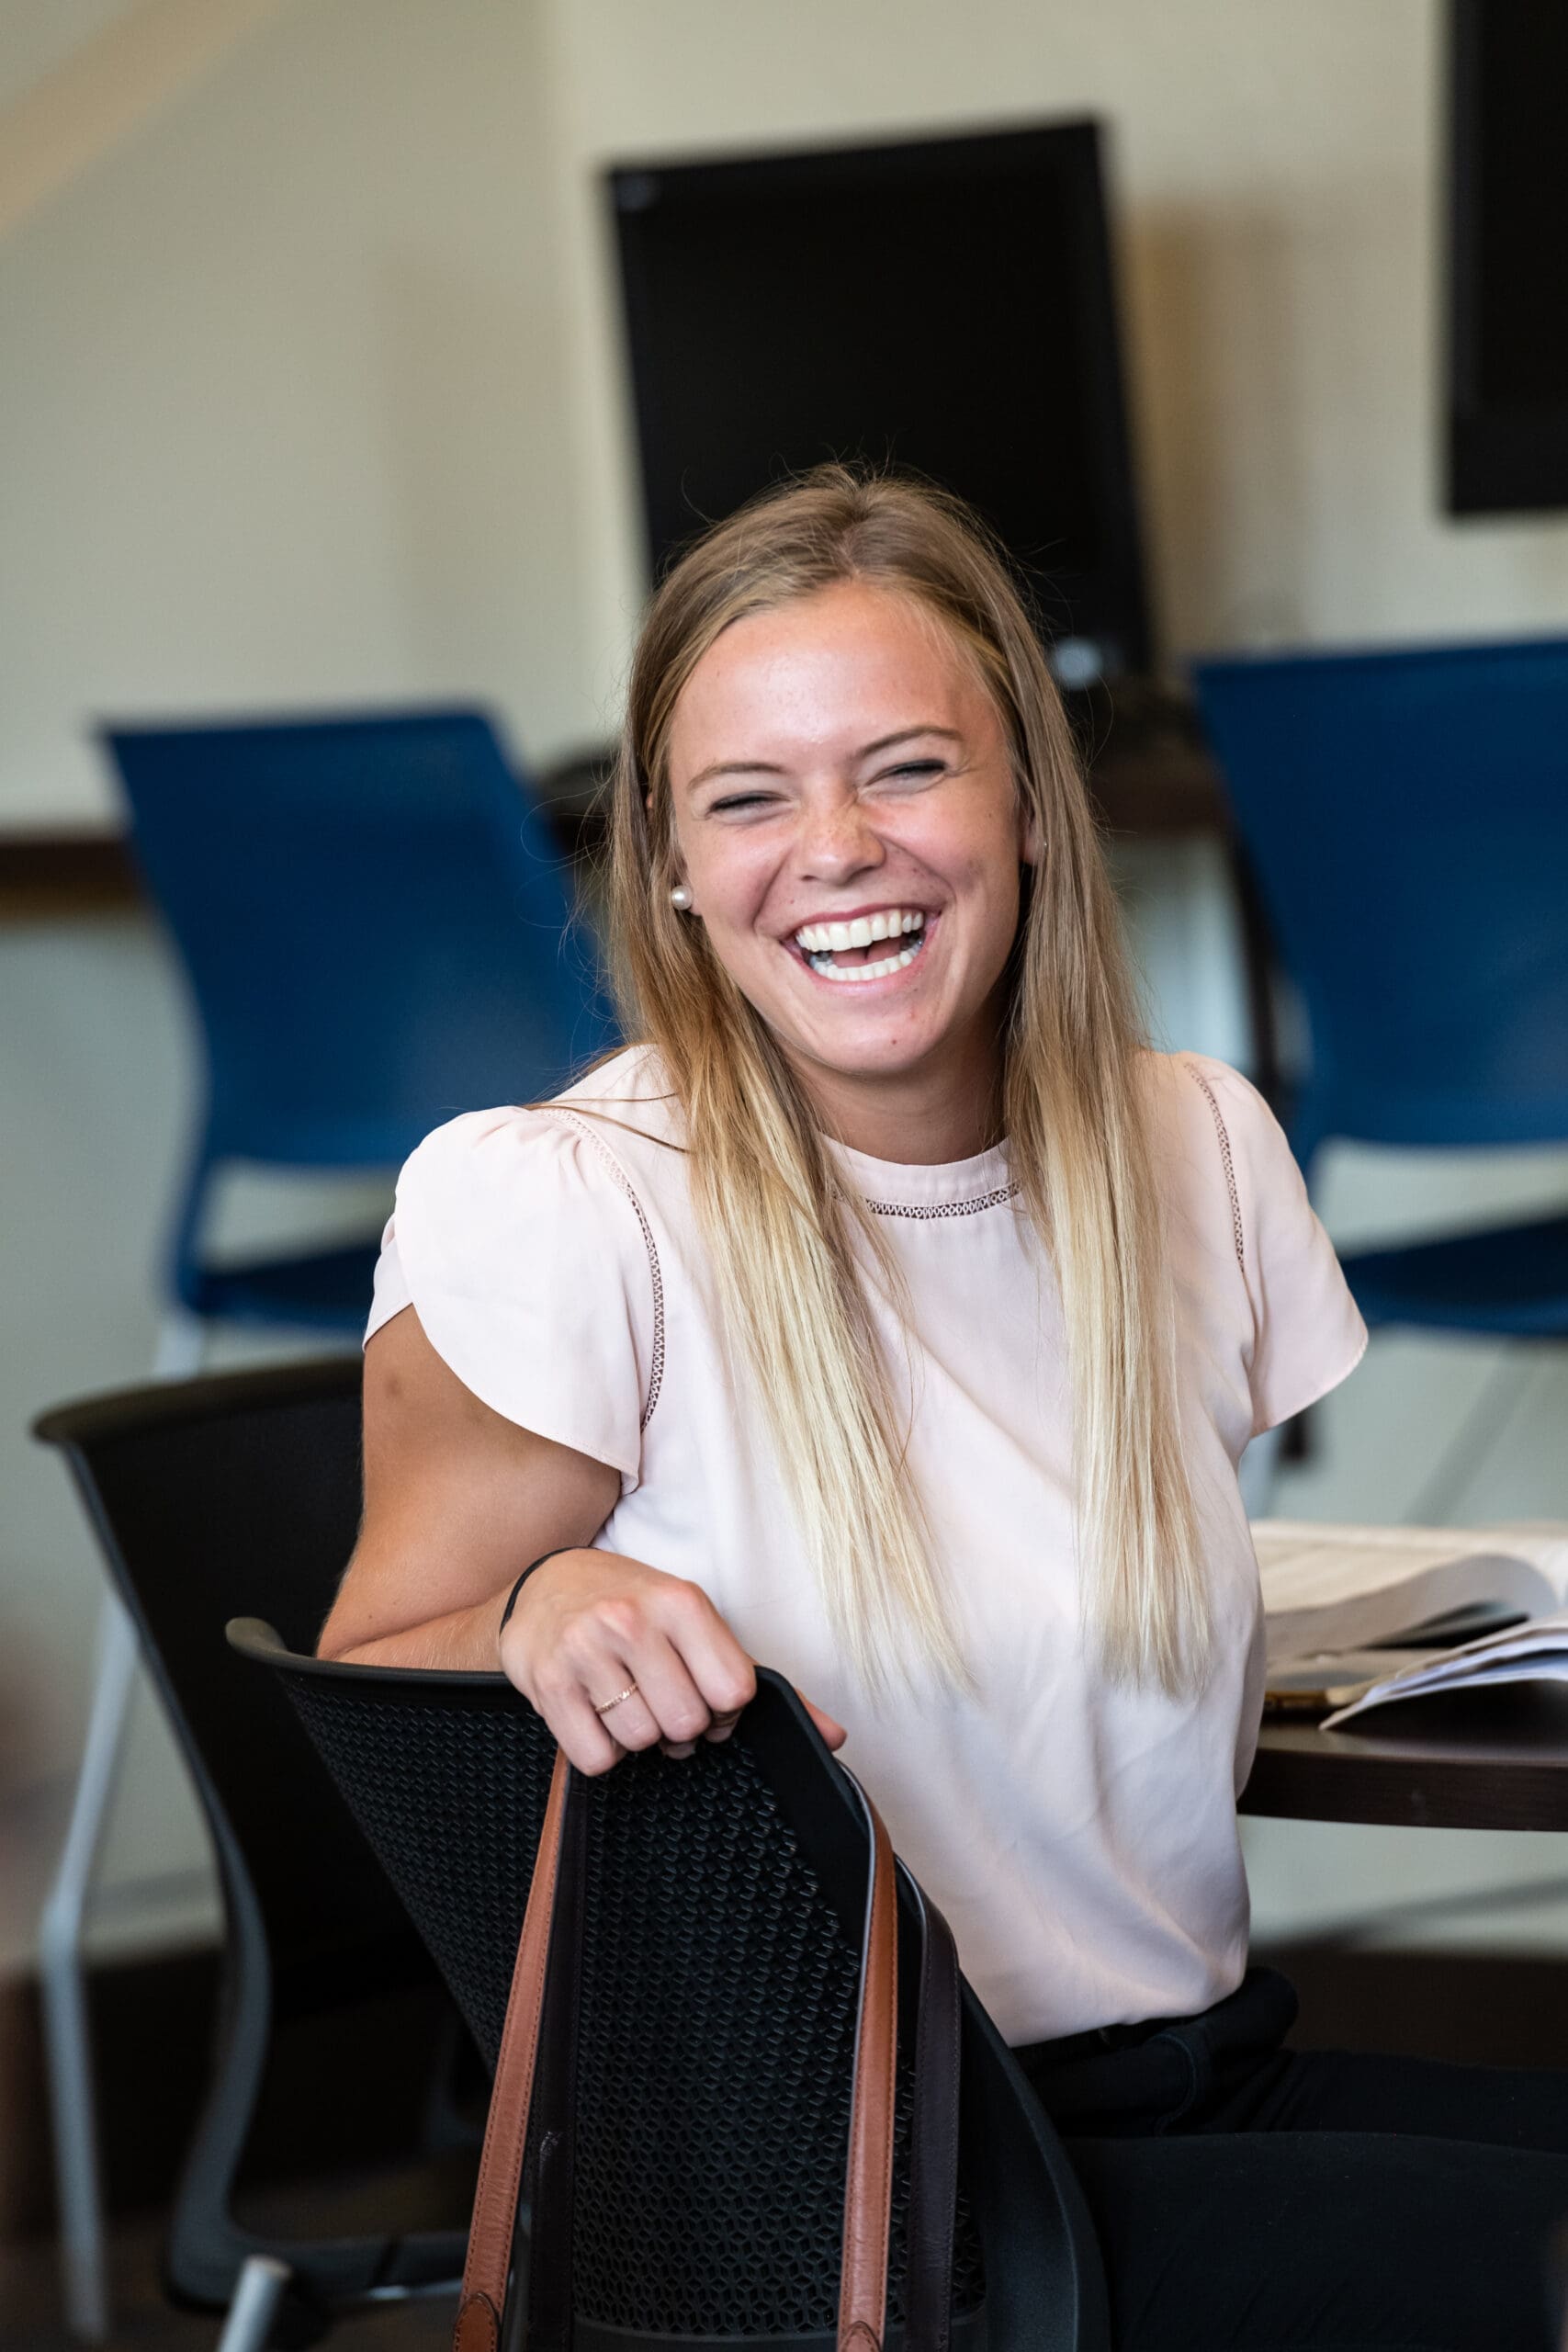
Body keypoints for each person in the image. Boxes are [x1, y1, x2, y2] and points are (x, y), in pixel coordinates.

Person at [320, 469, 1568, 2350]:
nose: (832, 847)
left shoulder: (1193, 1146)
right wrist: (527, 1608)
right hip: (866, 2207)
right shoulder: (560, 1198)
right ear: (666, 858)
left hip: (1191, 2078)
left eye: (903, 766)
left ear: (1026, 806)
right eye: (747, 796)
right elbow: (381, 1671)